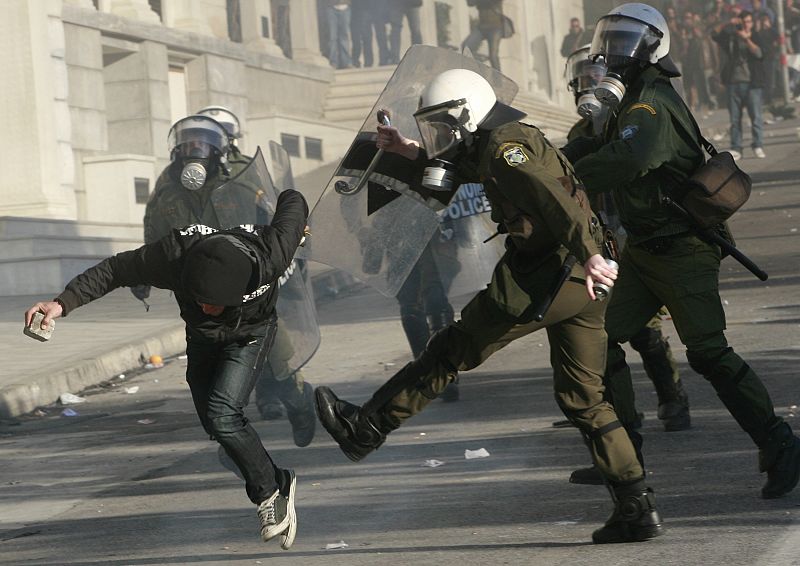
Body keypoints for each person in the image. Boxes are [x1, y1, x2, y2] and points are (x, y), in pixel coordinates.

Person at [316, 67, 663, 544]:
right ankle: (636, 507)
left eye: (442, 125)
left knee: (450, 351)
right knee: (585, 397)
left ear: (467, 115)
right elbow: (464, 168)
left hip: (549, 279)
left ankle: (366, 428)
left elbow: (552, 197)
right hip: (583, 283)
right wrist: (405, 149)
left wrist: (590, 253)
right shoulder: (495, 139)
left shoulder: (506, 149)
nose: (438, 135)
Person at [562, 2, 800, 500]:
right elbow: (594, 147)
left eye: (626, 41)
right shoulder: (627, 99)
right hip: (646, 250)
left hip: (682, 248)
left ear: (652, 47)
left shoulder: (650, 102)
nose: (614, 51)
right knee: (600, 340)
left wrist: (564, 180)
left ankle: (782, 446)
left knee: (709, 354)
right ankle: (624, 454)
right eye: (611, 39)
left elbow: (631, 158)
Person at [25, 185, 309, 547]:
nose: (206, 306)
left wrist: (291, 214)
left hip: (249, 334)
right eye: (199, 300)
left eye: (213, 304)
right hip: (203, 340)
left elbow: (293, 199)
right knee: (213, 421)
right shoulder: (174, 256)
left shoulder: (272, 253)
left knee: (223, 413)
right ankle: (275, 476)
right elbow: (115, 270)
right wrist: (61, 304)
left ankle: (270, 494)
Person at [141, 109, 317, 448]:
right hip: (201, 289)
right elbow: (155, 231)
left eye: (201, 142)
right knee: (217, 365)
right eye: (187, 142)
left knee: (276, 354)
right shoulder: (167, 188)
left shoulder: (240, 175)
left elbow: (272, 212)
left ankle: (299, 403)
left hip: (249, 279)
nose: (194, 149)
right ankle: (232, 439)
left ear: (218, 146)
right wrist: (144, 273)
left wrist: (292, 241)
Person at [564, 44, 691, 433]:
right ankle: (616, 417)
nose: (590, 88)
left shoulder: (633, 117)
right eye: (584, 82)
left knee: (645, 330)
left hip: (634, 232)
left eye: (596, 80)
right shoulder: (581, 131)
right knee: (596, 331)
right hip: (597, 237)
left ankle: (672, 398)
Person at [712, 10, 766, 159]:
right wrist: (728, 23)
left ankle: (758, 144)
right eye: (743, 22)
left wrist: (747, 40)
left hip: (752, 84)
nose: (746, 25)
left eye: (748, 22)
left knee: (756, 117)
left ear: (752, 23)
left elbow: (760, 54)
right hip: (733, 83)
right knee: (735, 119)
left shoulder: (755, 36)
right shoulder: (731, 37)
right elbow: (714, 35)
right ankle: (736, 147)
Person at [463, 0, 506, 70]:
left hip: (495, 27)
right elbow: (470, 3)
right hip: (482, 27)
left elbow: (490, 2)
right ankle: (474, 70)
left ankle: (498, 79)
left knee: (493, 56)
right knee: (466, 46)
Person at [388, 0, 423, 64]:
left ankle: (418, 57)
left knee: (415, 30)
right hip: (397, 4)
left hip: (411, 3)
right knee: (396, 30)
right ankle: (395, 58)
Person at [324, 0, 353, 69]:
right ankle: (333, 62)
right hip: (331, 8)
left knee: (344, 37)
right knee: (332, 37)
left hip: (345, 7)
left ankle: (346, 62)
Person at [350, 0, 373, 67]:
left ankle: (368, 62)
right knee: (356, 39)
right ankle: (356, 61)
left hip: (366, 11)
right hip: (354, 12)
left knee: (367, 38)